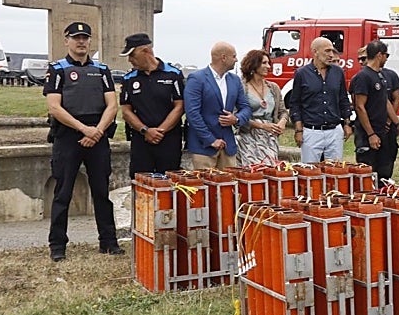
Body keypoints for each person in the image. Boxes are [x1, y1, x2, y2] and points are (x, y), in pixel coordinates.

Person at [43, 21, 121, 261]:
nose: (81, 42)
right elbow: (54, 107)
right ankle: (58, 246)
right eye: (76, 38)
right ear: (67, 40)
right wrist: (83, 129)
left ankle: (108, 242)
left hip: (97, 136)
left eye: (85, 38)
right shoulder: (58, 69)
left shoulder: (101, 69)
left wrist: (96, 131)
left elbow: (112, 105)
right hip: (68, 137)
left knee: (101, 192)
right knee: (62, 193)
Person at [119, 33, 185, 177]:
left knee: (170, 183)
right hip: (141, 140)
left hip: (168, 140)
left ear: (146, 51)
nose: (130, 60)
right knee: (141, 184)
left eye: (132, 55)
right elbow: (126, 111)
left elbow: (179, 106)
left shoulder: (173, 74)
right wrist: (146, 131)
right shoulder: (129, 78)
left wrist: (160, 131)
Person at [184, 42, 251, 169]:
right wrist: (210, 140)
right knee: (206, 187)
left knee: (229, 186)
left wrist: (236, 119)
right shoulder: (197, 79)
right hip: (203, 148)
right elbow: (192, 113)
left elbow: (246, 107)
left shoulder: (235, 80)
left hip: (228, 147)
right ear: (223, 58)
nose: (236, 60)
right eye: (234, 56)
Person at [289, 36, 352, 162]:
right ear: (315, 52)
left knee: (335, 172)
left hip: (334, 130)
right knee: (310, 172)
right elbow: (295, 103)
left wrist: (347, 124)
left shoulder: (338, 72)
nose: (331, 55)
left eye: (333, 51)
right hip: (311, 131)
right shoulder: (302, 74)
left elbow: (343, 99)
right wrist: (299, 130)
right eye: (327, 51)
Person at [350, 39, 399, 183]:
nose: (386, 59)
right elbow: (360, 107)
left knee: (384, 173)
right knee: (368, 176)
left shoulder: (380, 76)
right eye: (386, 55)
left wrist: (397, 124)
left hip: (382, 133)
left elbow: (385, 101)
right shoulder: (363, 77)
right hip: (368, 135)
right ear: (379, 55)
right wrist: (371, 134)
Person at [235, 49, 288, 166]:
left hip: (270, 137)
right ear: (253, 64)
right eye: (264, 63)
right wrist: (262, 126)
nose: (268, 66)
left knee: (270, 170)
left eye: (268, 63)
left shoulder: (273, 87)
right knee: (253, 172)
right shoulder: (242, 87)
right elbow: (236, 117)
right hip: (249, 137)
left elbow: (283, 111)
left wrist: (282, 122)